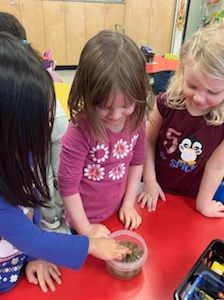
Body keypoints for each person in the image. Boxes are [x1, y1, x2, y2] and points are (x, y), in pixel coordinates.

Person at [0, 32, 130, 293]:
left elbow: (29, 210)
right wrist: (90, 245)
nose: (48, 132)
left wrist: (31, 256)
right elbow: (27, 235)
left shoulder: (19, 153)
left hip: (17, 261)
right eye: (39, 125)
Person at [138, 19, 224, 218]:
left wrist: (203, 203)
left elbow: (217, 165)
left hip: (194, 195)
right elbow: (146, 140)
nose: (199, 98)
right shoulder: (166, 103)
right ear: (183, 72)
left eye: (213, 91)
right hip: (155, 188)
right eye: (192, 86)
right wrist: (150, 181)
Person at [58, 30, 151, 237]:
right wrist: (85, 228)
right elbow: (67, 185)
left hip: (117, 212)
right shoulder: (79, 132)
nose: (116, 116)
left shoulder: (136, 121)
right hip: (82, 220)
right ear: (87, 94)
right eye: (104, 107)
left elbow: (137, 163)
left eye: (126, 105)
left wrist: (128, 204)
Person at [0, 12, 68, 229]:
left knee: (47, 176)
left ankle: (53, 217)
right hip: (48, 127)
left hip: (47, 128)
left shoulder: (19, 77)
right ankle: (55, 216)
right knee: (49, 176)